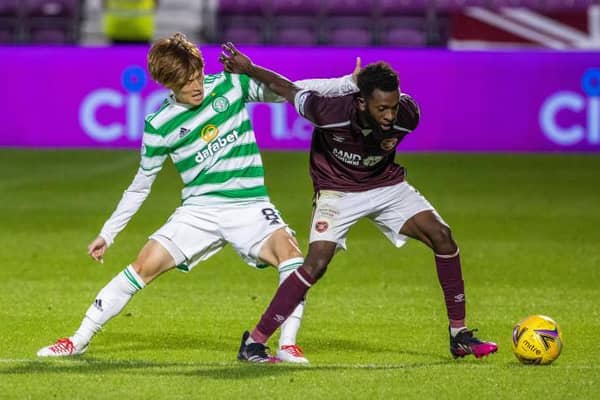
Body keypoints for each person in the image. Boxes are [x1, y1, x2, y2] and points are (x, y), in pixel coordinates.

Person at [37, 33, 360, 364]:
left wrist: (345, 84)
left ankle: (287, 344)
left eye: (196, 76)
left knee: (291, 256)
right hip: (198, 211)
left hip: (250, 206)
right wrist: (108, 232)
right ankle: (78, 340)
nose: (196, 86)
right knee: (141, 267)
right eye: (186, 82)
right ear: (167, 84)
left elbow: (292, 90)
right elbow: (140, 185)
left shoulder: (230, 86)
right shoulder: (159, 124)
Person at [219, 42, 499, 362]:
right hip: (337, 191)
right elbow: (286, 88)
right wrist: (249, 67)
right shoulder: (328, 112)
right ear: (362, 102)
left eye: (393, 106)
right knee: (316, 264)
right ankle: (254, 342)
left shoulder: (408, 114)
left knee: (443, 237)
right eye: (382, 109)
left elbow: (395, 122)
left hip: (386, 185)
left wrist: (391, 123)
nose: (390, 115)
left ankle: (459, 335)